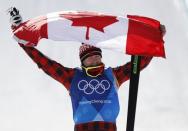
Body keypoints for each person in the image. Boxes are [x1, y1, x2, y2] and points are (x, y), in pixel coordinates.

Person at [8, 7, 165, 131]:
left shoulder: (113, 75)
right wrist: (22, 40)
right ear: (83, 60)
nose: (96, 58)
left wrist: (157, 38)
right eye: (91, 56)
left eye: (98, 55)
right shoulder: (72, 77)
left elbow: (138, 65)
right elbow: (45, 64)